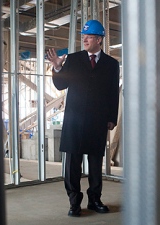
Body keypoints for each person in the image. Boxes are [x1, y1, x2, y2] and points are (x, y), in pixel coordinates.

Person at [46, 20, 120, 217]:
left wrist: (112, 117)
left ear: (99, 39)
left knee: (96, 164)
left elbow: (113, 92)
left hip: (97, 121)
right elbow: (61, 85)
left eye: (88, 36)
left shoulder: (111, 64)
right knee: (72, 165)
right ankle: (74, 203)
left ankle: (95, 200)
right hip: (74, 120)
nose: (84, 39)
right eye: (83, 36)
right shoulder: (74, 59)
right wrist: (57, 67)